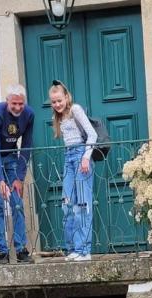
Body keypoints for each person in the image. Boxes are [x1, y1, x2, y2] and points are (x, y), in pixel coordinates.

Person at [0, 85, 34, 264]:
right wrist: (0, 179)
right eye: (14, 104)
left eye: (21, 104)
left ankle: (21, 249)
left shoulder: (29, 115)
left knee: (17, 203)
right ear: (7, 101)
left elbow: (26, 146)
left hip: (11, 156)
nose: (18, 108)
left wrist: (19, 177)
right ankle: (2, 250)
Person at [49, 79, 96, 262]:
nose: (57, 104)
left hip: (81, 156)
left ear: (66, 97)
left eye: (59, 100)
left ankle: (84, 250)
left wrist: (86, 157)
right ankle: (73, 248)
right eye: (53, 102)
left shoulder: (75, 109)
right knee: (67, 204)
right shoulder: (58, 117)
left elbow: (92, 134)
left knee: (82, 205)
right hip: (68, 158)